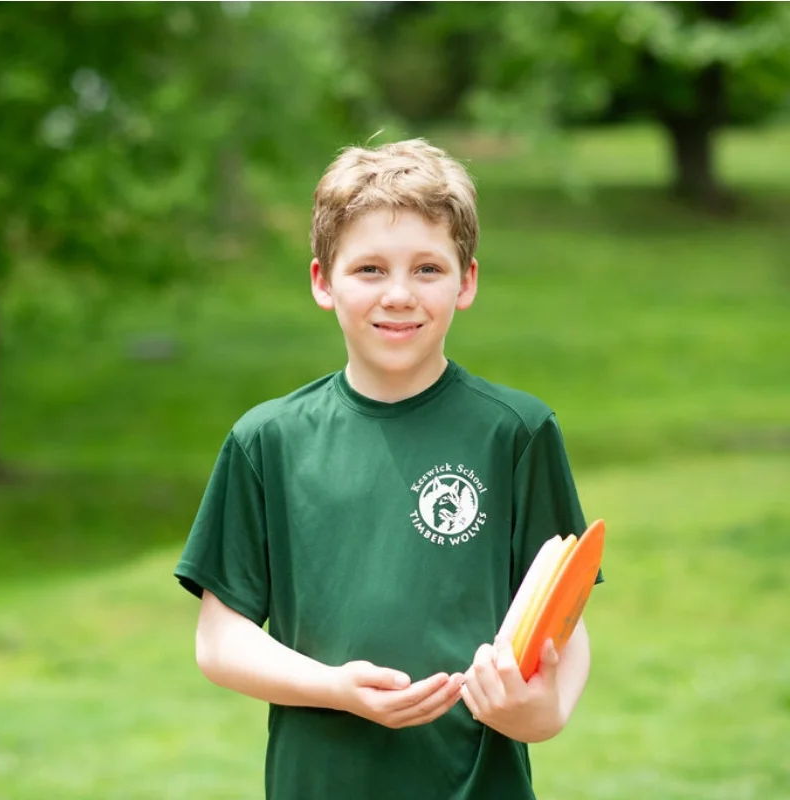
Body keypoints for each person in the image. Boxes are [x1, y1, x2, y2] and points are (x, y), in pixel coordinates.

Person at [174, 138, 601, 799]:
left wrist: (540, 712)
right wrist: (335, 688)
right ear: (323, 281)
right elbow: (221, 641)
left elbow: (563, 626)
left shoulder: (516, 431)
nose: (399, 294)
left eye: (427, 269)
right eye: (369, 269)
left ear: (467, 282)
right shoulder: (267, 441)